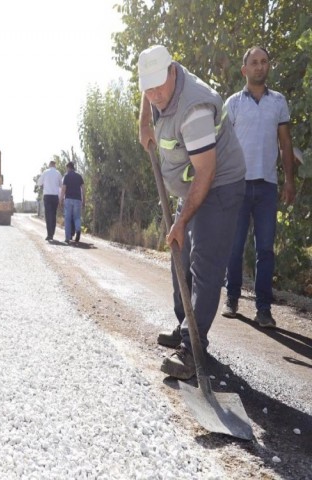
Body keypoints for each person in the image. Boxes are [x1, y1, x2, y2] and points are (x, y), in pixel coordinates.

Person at [138, 45, 246, 379]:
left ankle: (192, 347)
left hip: (219, 184)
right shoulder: (156, 88)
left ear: (174, 71)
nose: (154, 94)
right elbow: (148, 93)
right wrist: (145, 121)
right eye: (148, 87)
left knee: (204, 263)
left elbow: (207, 173)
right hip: (193, 186)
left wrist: (182, 220)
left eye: (159, 86)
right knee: (179, 256)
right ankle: (185, 324)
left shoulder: (195, 108)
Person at [221, 46, 297, 328]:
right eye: (254, 62)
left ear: (268, 67)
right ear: (244, 70)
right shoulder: (233, 104)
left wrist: (289, 180)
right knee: (234, 246)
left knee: (265, 249)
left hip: (267, 186)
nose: (259, 66)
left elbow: (285, 143)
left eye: (264, 61)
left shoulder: (278, 101)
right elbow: (223, 145)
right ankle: (231, 298)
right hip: (237, 185)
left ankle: (263, 309)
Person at [59, 162, 85, 244]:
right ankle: (78, 230)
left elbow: (63, 189)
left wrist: (61, 199)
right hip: (78, 199)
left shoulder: (66, 176)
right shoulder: (79, 176)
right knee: (77, 217)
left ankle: (67, 238)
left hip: (68, 199)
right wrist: (84, 200)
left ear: (68, 168)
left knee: (67, 218)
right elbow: (84, 189)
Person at [37, 160, 63, 241]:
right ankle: (52, 233)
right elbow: (61, 185)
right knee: (53, 215)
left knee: (48, 215)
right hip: (55, 197)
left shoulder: (45, 172)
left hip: (47, 196)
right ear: (54, 165)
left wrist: (45, 183)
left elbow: (39, 183)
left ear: (49, 165)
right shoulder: (58, 173)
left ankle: (49, 235)